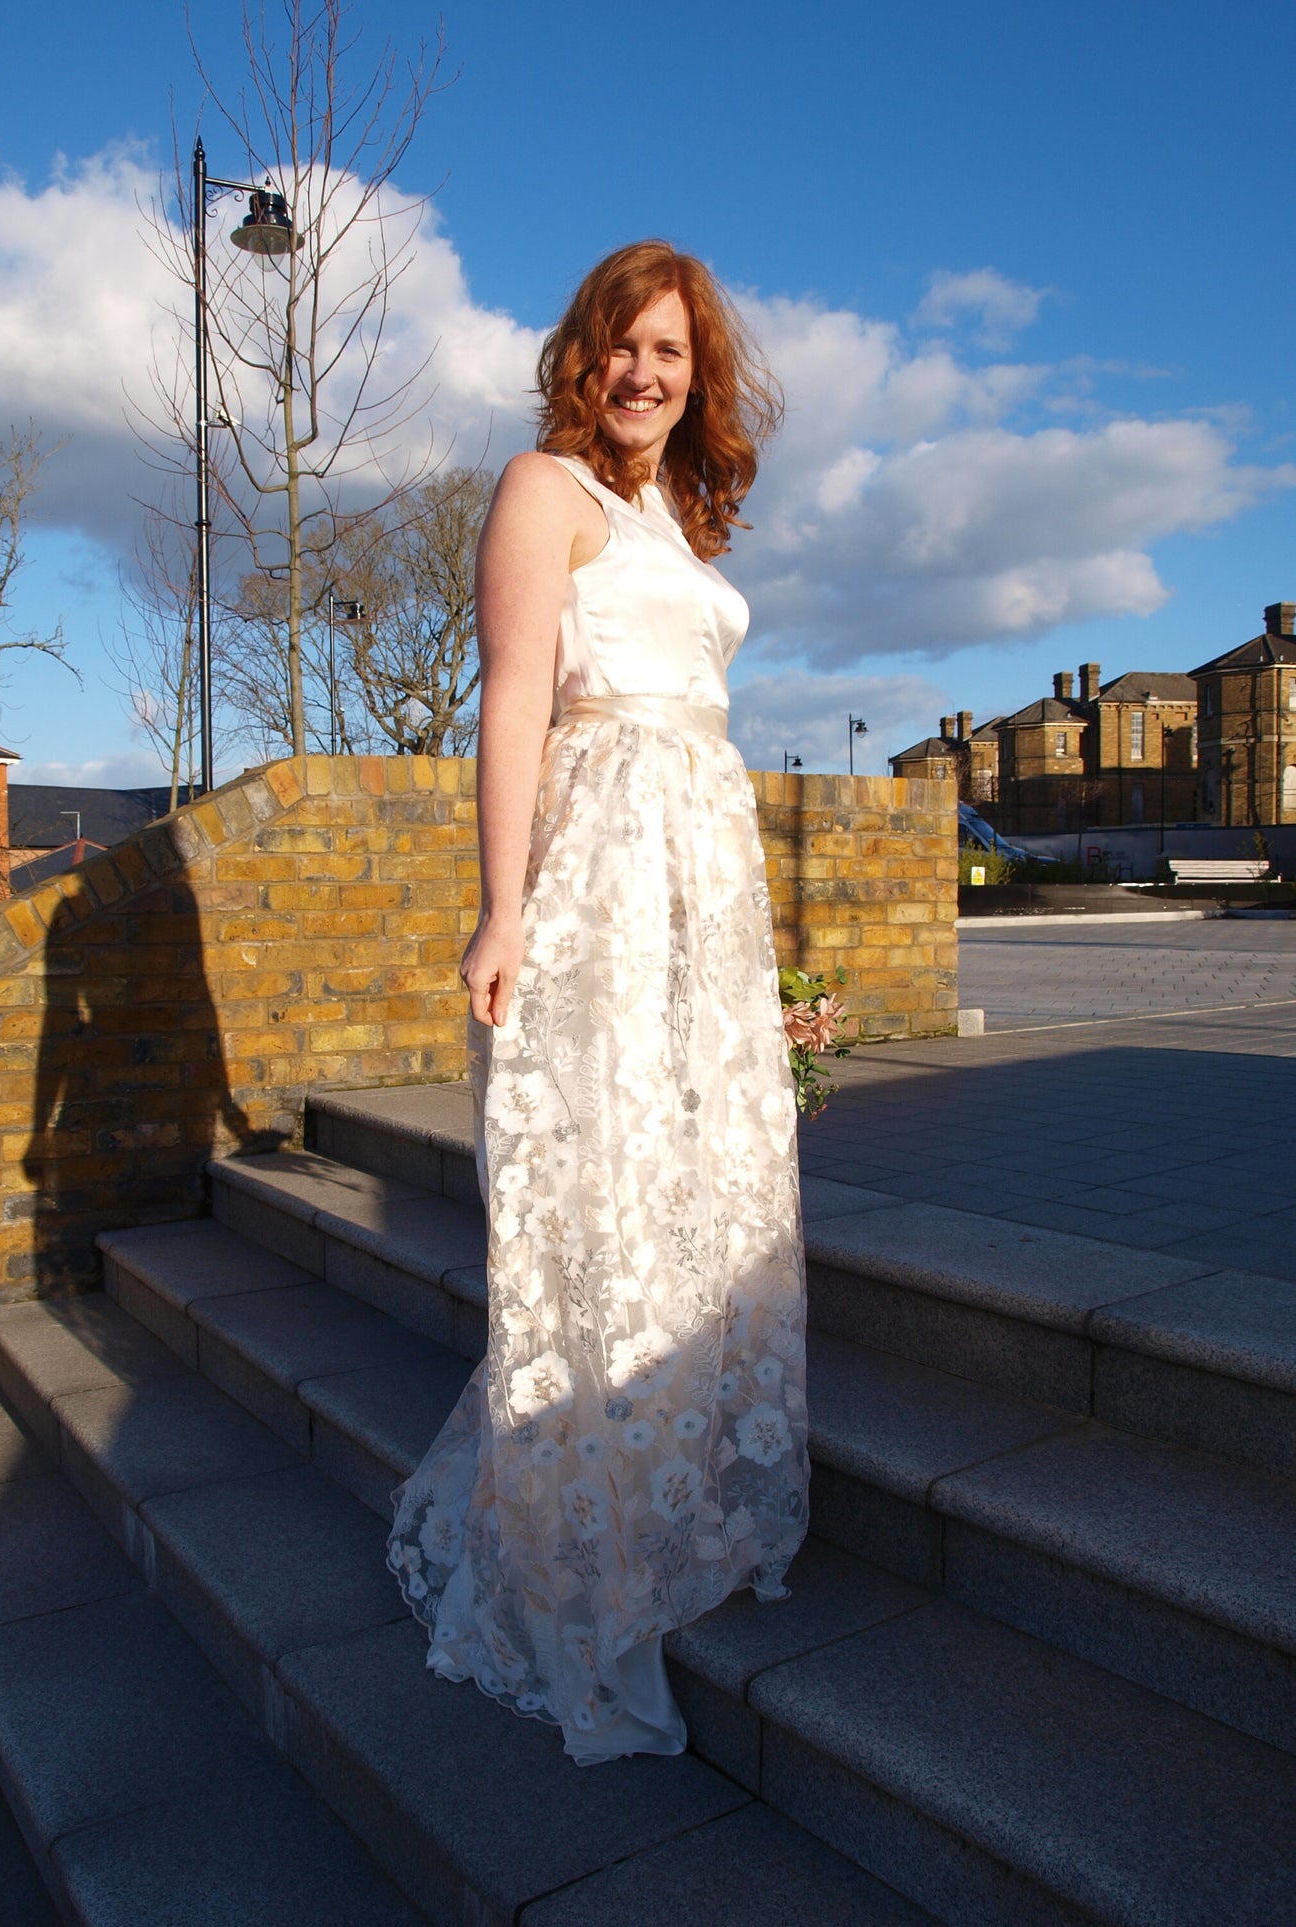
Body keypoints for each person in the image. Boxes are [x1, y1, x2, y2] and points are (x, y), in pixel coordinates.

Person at [387, 240, 808, 1766]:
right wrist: (501, 910)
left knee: (698, 1184)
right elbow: (513, 698)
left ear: (700, 379)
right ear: (584, 355)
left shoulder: (664, 516)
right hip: (605, 878)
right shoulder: (540, 490)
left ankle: (668, 1492)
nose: (648, 375)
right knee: (606, 1189)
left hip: (700, 879)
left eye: (674, 357)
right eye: (626, 348)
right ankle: (583, 1533)